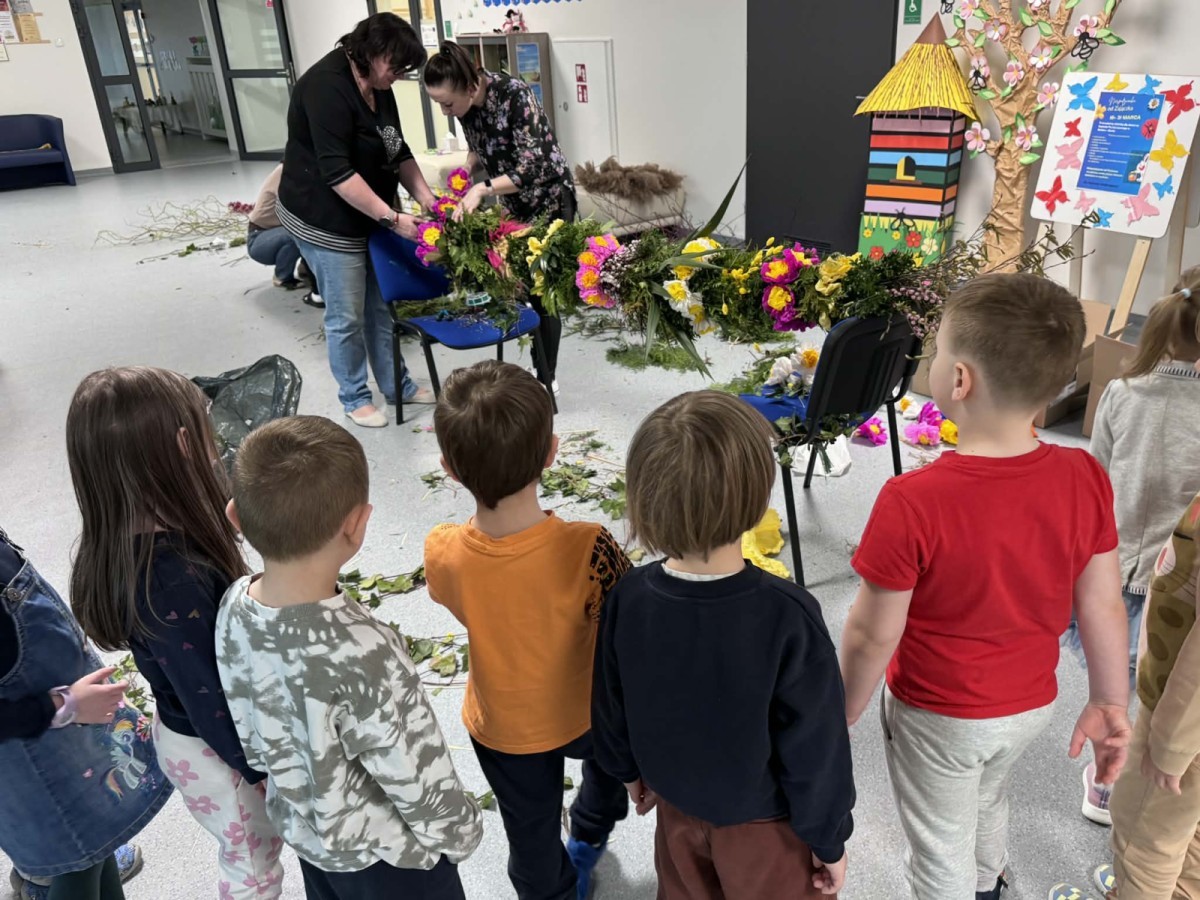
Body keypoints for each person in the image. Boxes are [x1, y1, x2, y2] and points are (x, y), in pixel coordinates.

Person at [839, 273, 1132, 900]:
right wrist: (1110, 700)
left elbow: (871, 633)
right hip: (1030, 704)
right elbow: (1103, 603)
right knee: (988, 795)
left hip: (938, 714)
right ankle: (986, 883)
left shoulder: (912, 500)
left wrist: (841, 708)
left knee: (938, 844)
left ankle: (967, 886)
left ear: (959, 380)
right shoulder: (1084, 474)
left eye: (937, 350)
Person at [590, 390, 854, 900]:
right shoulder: (788, 614)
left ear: (643, 497)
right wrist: (829, 839)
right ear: (758, 496)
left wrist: (626, 771)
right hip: (766, 831)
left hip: (675, 809)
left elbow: (609, 699)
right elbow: (816, 750)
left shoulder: (628, 596)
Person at [215, 415, 483, 899]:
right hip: (391, 861)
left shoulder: (233, 604)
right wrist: (460, 833)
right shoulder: (367, 651)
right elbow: (415, 771)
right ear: (357, 525)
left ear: (235, 516)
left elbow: (248, 721)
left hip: (311, 837)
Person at [66, 367, 285, 900]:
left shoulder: (133, 543)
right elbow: (210, 698)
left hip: (188, 730)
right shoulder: (171, 582)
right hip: (217, 752)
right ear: (186, 445)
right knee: (253, 866)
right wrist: (258, 769)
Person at [424, 361, 629, 900]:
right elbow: (622, 618)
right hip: (588, 712)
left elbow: (453, 599)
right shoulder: (590, 546)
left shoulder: (442, 549)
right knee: (610, 765)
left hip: (503, 726)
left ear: (449, 469)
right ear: (551, 453)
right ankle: (590, 829)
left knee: (530, 831)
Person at [1062, 268, 1200, 828]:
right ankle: (1152, 781)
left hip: (1110, 574)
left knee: (1111, 691)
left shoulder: (1121, 392)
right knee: (1163, 691)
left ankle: (1103, 782)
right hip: (1177, 585)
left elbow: (1094, 482)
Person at [278, 13, 439, 428]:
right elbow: (338, 174)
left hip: (370, 212)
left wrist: (427, 200)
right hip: (324, 215)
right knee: (347, 313)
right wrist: (394, 219)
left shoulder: (380, 87)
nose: (399, 76)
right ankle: (354, 396)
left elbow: (396, 149)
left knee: (380, 305)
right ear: (371, 52)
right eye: (396, 66)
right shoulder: (325, 88)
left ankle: (397, 385)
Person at [1, 526, 172, 900]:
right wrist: (64, 705)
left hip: (55, 726)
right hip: (32, 747)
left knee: (96, 840)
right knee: (78, 856)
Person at [1051, 491, 1200, 900]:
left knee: (1143, 844)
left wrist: (1169, 747)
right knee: (1186, 829)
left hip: (1182, 723)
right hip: (1185, 718)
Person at [423, 42, 576, 394]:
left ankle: (546, 378)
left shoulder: (514, 95)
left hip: (549, 199)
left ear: (470, 86)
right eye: (438, 104)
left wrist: (482, 189)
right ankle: (534, 363)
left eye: (447, 103)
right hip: (514, 202)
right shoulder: (466, 108)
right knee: (516, 283)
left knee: (543, 290)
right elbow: (481, 147)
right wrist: (467, 169)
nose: (445, 111)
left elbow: (532, 166)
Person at [246, 163, 306, 289]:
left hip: (277, 231)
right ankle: (282, 276)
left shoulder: (302, 171)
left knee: (311, 229)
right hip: (260, 237)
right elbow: (298, 205)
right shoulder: (285, 172)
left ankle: (305, 269)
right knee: (297, 232)